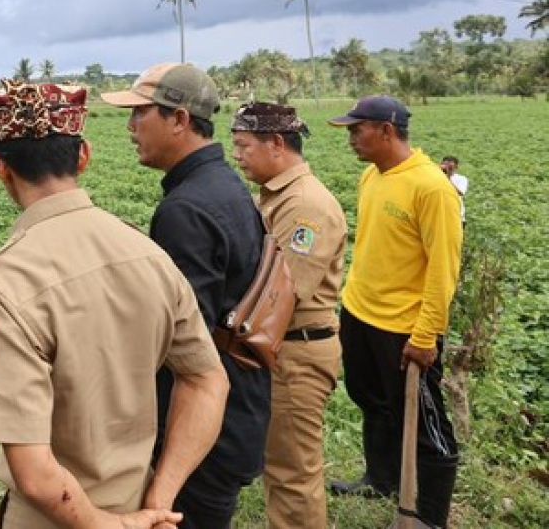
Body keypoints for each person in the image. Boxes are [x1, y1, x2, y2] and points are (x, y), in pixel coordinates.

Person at [0, 80, 229, 529]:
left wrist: (104, 524)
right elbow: (207, 381)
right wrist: (159, 500)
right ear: (84, 156)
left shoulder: (7, 280)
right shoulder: (148, 254)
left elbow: (34, 473)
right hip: (141, 508)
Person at [102, 63, 269, 529]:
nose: (131, 127)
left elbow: (179, 341)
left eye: (140, 113)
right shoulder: (223, 186)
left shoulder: (187, 209)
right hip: (238, 412)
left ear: (178, 120)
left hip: (203, 432)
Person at [327, 95, 462, 528]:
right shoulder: (373, 175)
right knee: (370, 401)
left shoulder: (430, 188)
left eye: (356, 129)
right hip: (360, 314)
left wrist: (425, 337)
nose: (350, 138)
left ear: (386, 131)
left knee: (426, 424)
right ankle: (380, 478)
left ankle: (430, 515)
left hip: (404, 328)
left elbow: (444, 272)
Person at [229, 102, 347, 529]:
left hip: (296, 353)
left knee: (293, 474)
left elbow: (282, 294)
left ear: (276, 144)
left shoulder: (305, 207)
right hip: (282, 351)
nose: (237, 155)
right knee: (280, 464)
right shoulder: (280, 196)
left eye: (243, 146)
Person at [438, 156, 468, 225]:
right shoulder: (436, 177)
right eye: (445, 165)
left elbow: (460, 192)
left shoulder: (461, 178)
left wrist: (447, 177)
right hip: (440, 216)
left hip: (457, 216)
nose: (447, 168)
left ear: (456, 167)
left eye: (450, 167)